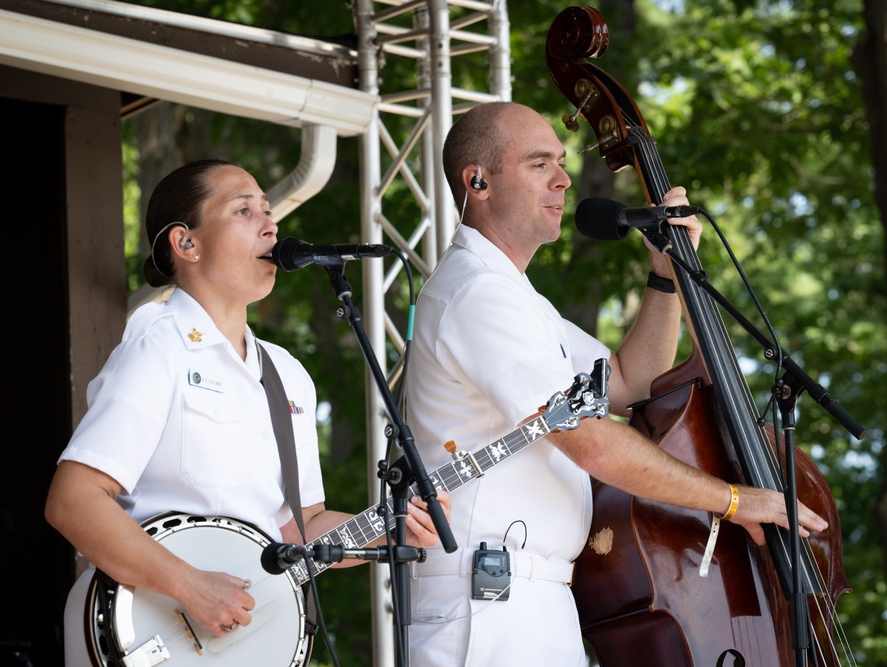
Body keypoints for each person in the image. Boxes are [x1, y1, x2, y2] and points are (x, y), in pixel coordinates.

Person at [403, 102, 829, 666]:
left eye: (561, 161)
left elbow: (631, 383)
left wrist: (665, 274)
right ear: (477, 181)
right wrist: (731, 500)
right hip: (489, 603)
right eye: (538, 164)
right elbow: (590, 439)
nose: (562, 179)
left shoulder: (521, 301)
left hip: (532, 599)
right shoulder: (478, 293)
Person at [45, 159, 450, 666]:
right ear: (185, 243)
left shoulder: (286, 373)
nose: (271, 225)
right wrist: (189, 585)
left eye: (269, 211)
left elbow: (300, 529)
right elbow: (74, 501)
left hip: (245, 644)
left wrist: (391, 530)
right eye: (243, 210)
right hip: (147, 632)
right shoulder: (159, 346)